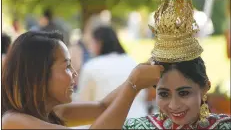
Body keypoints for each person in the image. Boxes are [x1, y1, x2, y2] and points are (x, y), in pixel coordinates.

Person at [2, 30, 163, 129]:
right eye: (67, 66)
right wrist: (133, 85)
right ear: (39, 75)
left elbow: (103, 108)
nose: (74, 73)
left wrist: (138, 74)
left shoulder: (52, 113)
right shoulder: (12, 121)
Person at [123, 0, 231, 129]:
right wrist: (131, 84)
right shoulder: (138, 127)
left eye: (184, 93)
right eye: (164, 94)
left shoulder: (224, 126)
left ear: (205, 88)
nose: (174, 105)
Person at [76, 26, 147, 120]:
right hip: (139, 121)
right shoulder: (134, 63)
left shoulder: (91, 66)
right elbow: (143, 96)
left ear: (98, 43)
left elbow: (82, 105)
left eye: (91, 43)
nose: (89, 48)